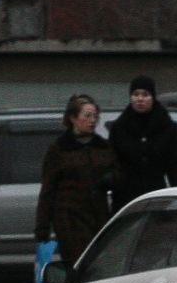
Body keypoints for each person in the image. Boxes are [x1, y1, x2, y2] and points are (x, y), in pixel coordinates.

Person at [35, 93, 117, 270]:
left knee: (99, 264)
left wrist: (111, 179)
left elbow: (118, 172)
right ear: (73, 118)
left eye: (95, 116)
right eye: (87, 116)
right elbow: (48, 189)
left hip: (98, 215)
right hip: (69, 219)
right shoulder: (59, 149)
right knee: (77, 265)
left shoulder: (103, 146)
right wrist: (43, 225)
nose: (92, 120)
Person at [108, 76, 177, 213]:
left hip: (156, 195)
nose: (140, 99)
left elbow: (174, 164)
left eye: (145, 94)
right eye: (136, 94)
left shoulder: (167, 127)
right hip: (126, 198)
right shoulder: (119, 127)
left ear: (153, 97)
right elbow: (112, 162)